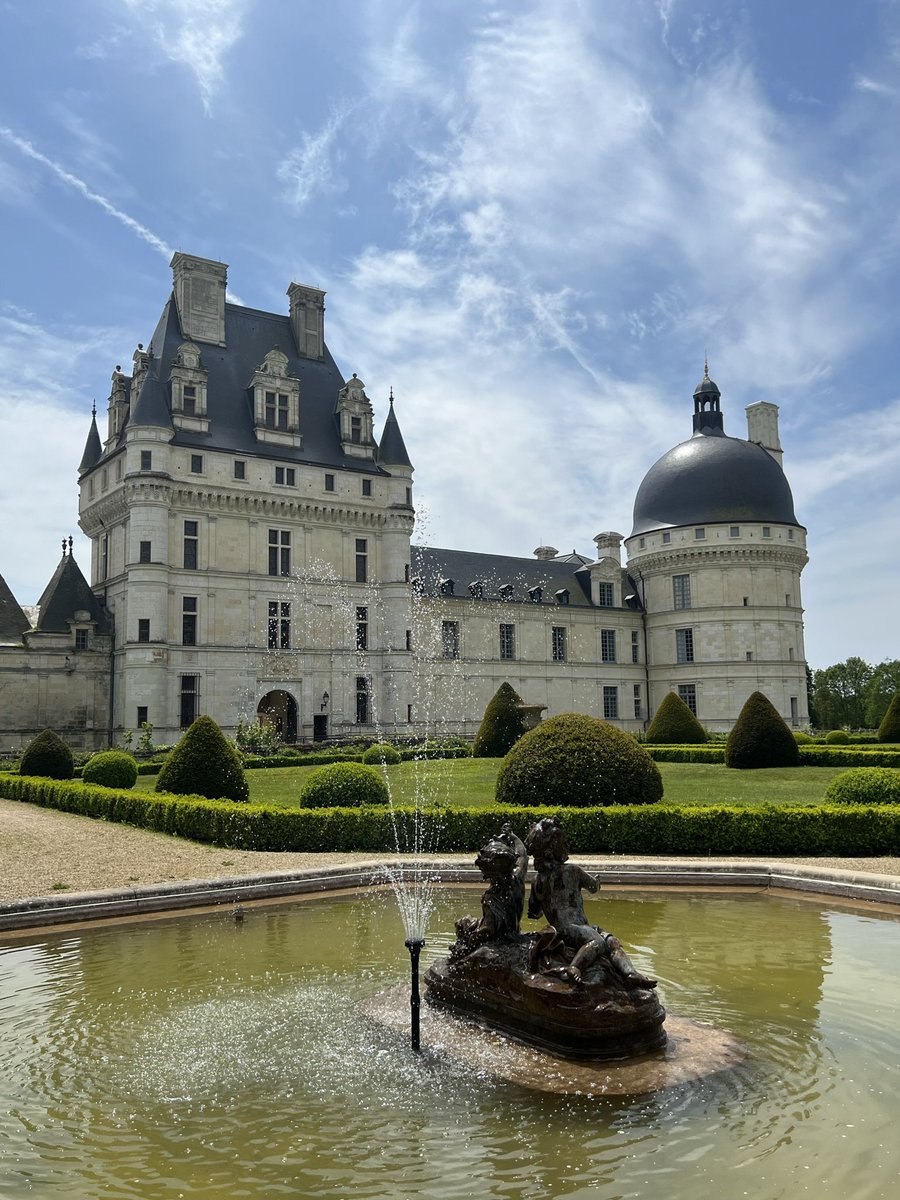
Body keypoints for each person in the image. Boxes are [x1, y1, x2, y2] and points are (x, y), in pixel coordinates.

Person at [525, 816, 656, 989]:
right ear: (552, 849)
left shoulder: (537, 881)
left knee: (612, 941)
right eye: (563, 842)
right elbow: (593, 887)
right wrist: (597, 881)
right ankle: (575, 967)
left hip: (575, 927)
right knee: (598, 942)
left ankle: (630, 973)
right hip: (570, 929)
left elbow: (534, 912)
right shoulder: (572, 871)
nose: (567, 845)